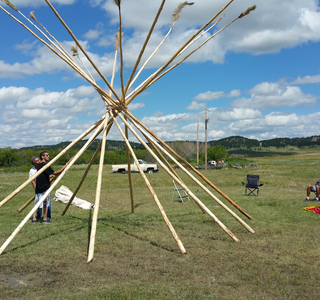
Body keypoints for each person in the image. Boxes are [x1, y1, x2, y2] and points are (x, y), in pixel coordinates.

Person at [33, 151, 68, 223]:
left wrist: (49, 176)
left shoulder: (39, 164)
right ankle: (45, 219)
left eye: (48, 155)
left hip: (38, 187)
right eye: (47, 155)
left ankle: (34, 219)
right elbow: (55, 173)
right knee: (45, 203)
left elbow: (43, 174)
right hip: (44, 187)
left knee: (37, 203)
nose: (48, 156)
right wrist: (64, 167)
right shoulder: (44, 164)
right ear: (42, 157)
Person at [30, 156, 42, 222]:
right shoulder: (32, 170)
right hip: (38, 188)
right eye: (37, 161)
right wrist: (35, 188)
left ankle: (44, 216)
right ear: (34, 163)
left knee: (45, 202)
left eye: (39, 160)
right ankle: (35, 217)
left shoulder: (42, 167)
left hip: (44, 187)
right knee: (37, 202)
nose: (39, 161)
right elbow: (32, 180)